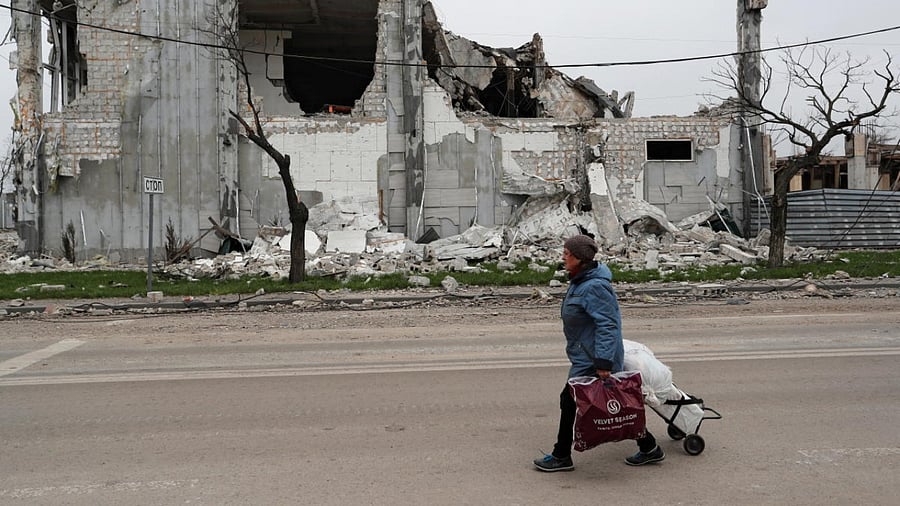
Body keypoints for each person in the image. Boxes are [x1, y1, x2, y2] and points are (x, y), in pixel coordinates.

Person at [533, 234, 665, 472]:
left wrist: (603, 362)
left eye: (566, 254)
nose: (563, 257)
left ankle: (561, 455)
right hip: (588, 354)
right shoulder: (581, 281)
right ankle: (649, 447)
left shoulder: (594, 286)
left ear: (580, 259)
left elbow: (608, 325)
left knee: (571, 400)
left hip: (596, 358)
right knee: (617, 403)